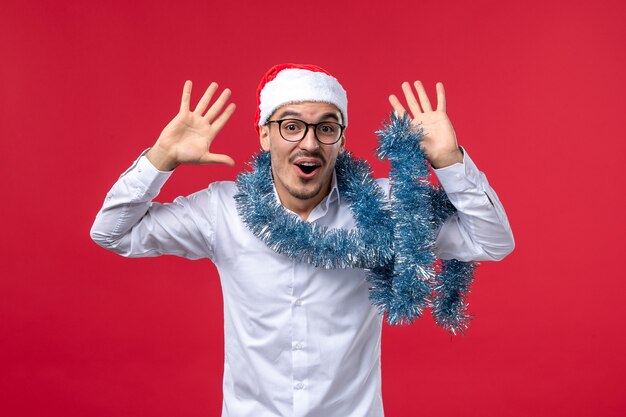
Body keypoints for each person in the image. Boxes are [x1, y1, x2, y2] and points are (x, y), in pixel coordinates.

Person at [91, 63, 514, 417]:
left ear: (342, 141)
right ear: (265, 135)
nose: (308, 143)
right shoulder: (222, 209)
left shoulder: (385, 208)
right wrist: (160, 158)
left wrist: (448, 159)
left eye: (326, 128)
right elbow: (112, 231)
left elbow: (491, 240)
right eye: (291, 126)